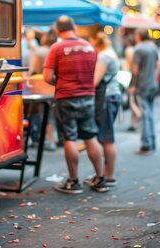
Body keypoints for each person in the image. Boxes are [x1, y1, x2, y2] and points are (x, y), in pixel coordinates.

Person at [43, 16, 108, 194]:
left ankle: (73, 182)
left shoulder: (56, 47)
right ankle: (100, 179)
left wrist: (62, 82)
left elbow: (47, 77)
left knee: (69, 138)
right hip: (88, 97)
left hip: (66, 98)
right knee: (90, 136)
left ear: (58, 30)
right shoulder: (89, 47)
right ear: (75, 28)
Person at [85, 32, 121, 188]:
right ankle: (106, 173)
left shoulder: (103, 56)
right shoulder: (111, 52)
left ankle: (109, 175)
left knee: (106, 138)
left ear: (95, 42)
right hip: (113, 96)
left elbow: (94, 81)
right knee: (106, 136)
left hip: (106, 97)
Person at [130, 28, 160, 154]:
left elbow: (135, 70)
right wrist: (154, 77)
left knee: (145, 114)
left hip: (142, 84)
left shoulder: (138, 49)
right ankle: (152, 141)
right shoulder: (153, 47)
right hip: (152, 84)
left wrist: (132, 84)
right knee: (150, 113)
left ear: (139, 36)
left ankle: (146, 143)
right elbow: (158, 65)